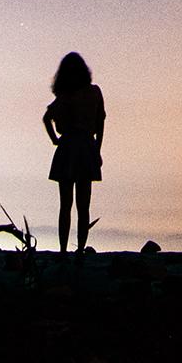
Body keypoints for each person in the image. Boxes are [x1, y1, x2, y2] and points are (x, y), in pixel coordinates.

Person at [43, 52, 106, 254]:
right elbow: (101, 122)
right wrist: (97, 149)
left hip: (68, 147)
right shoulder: (94, 92)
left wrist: (55, 140)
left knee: (65, 205)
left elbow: (46, 118)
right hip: (86, 147)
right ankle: (80, 249)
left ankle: (63, 250)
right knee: (83, 205)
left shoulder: (64, 96)